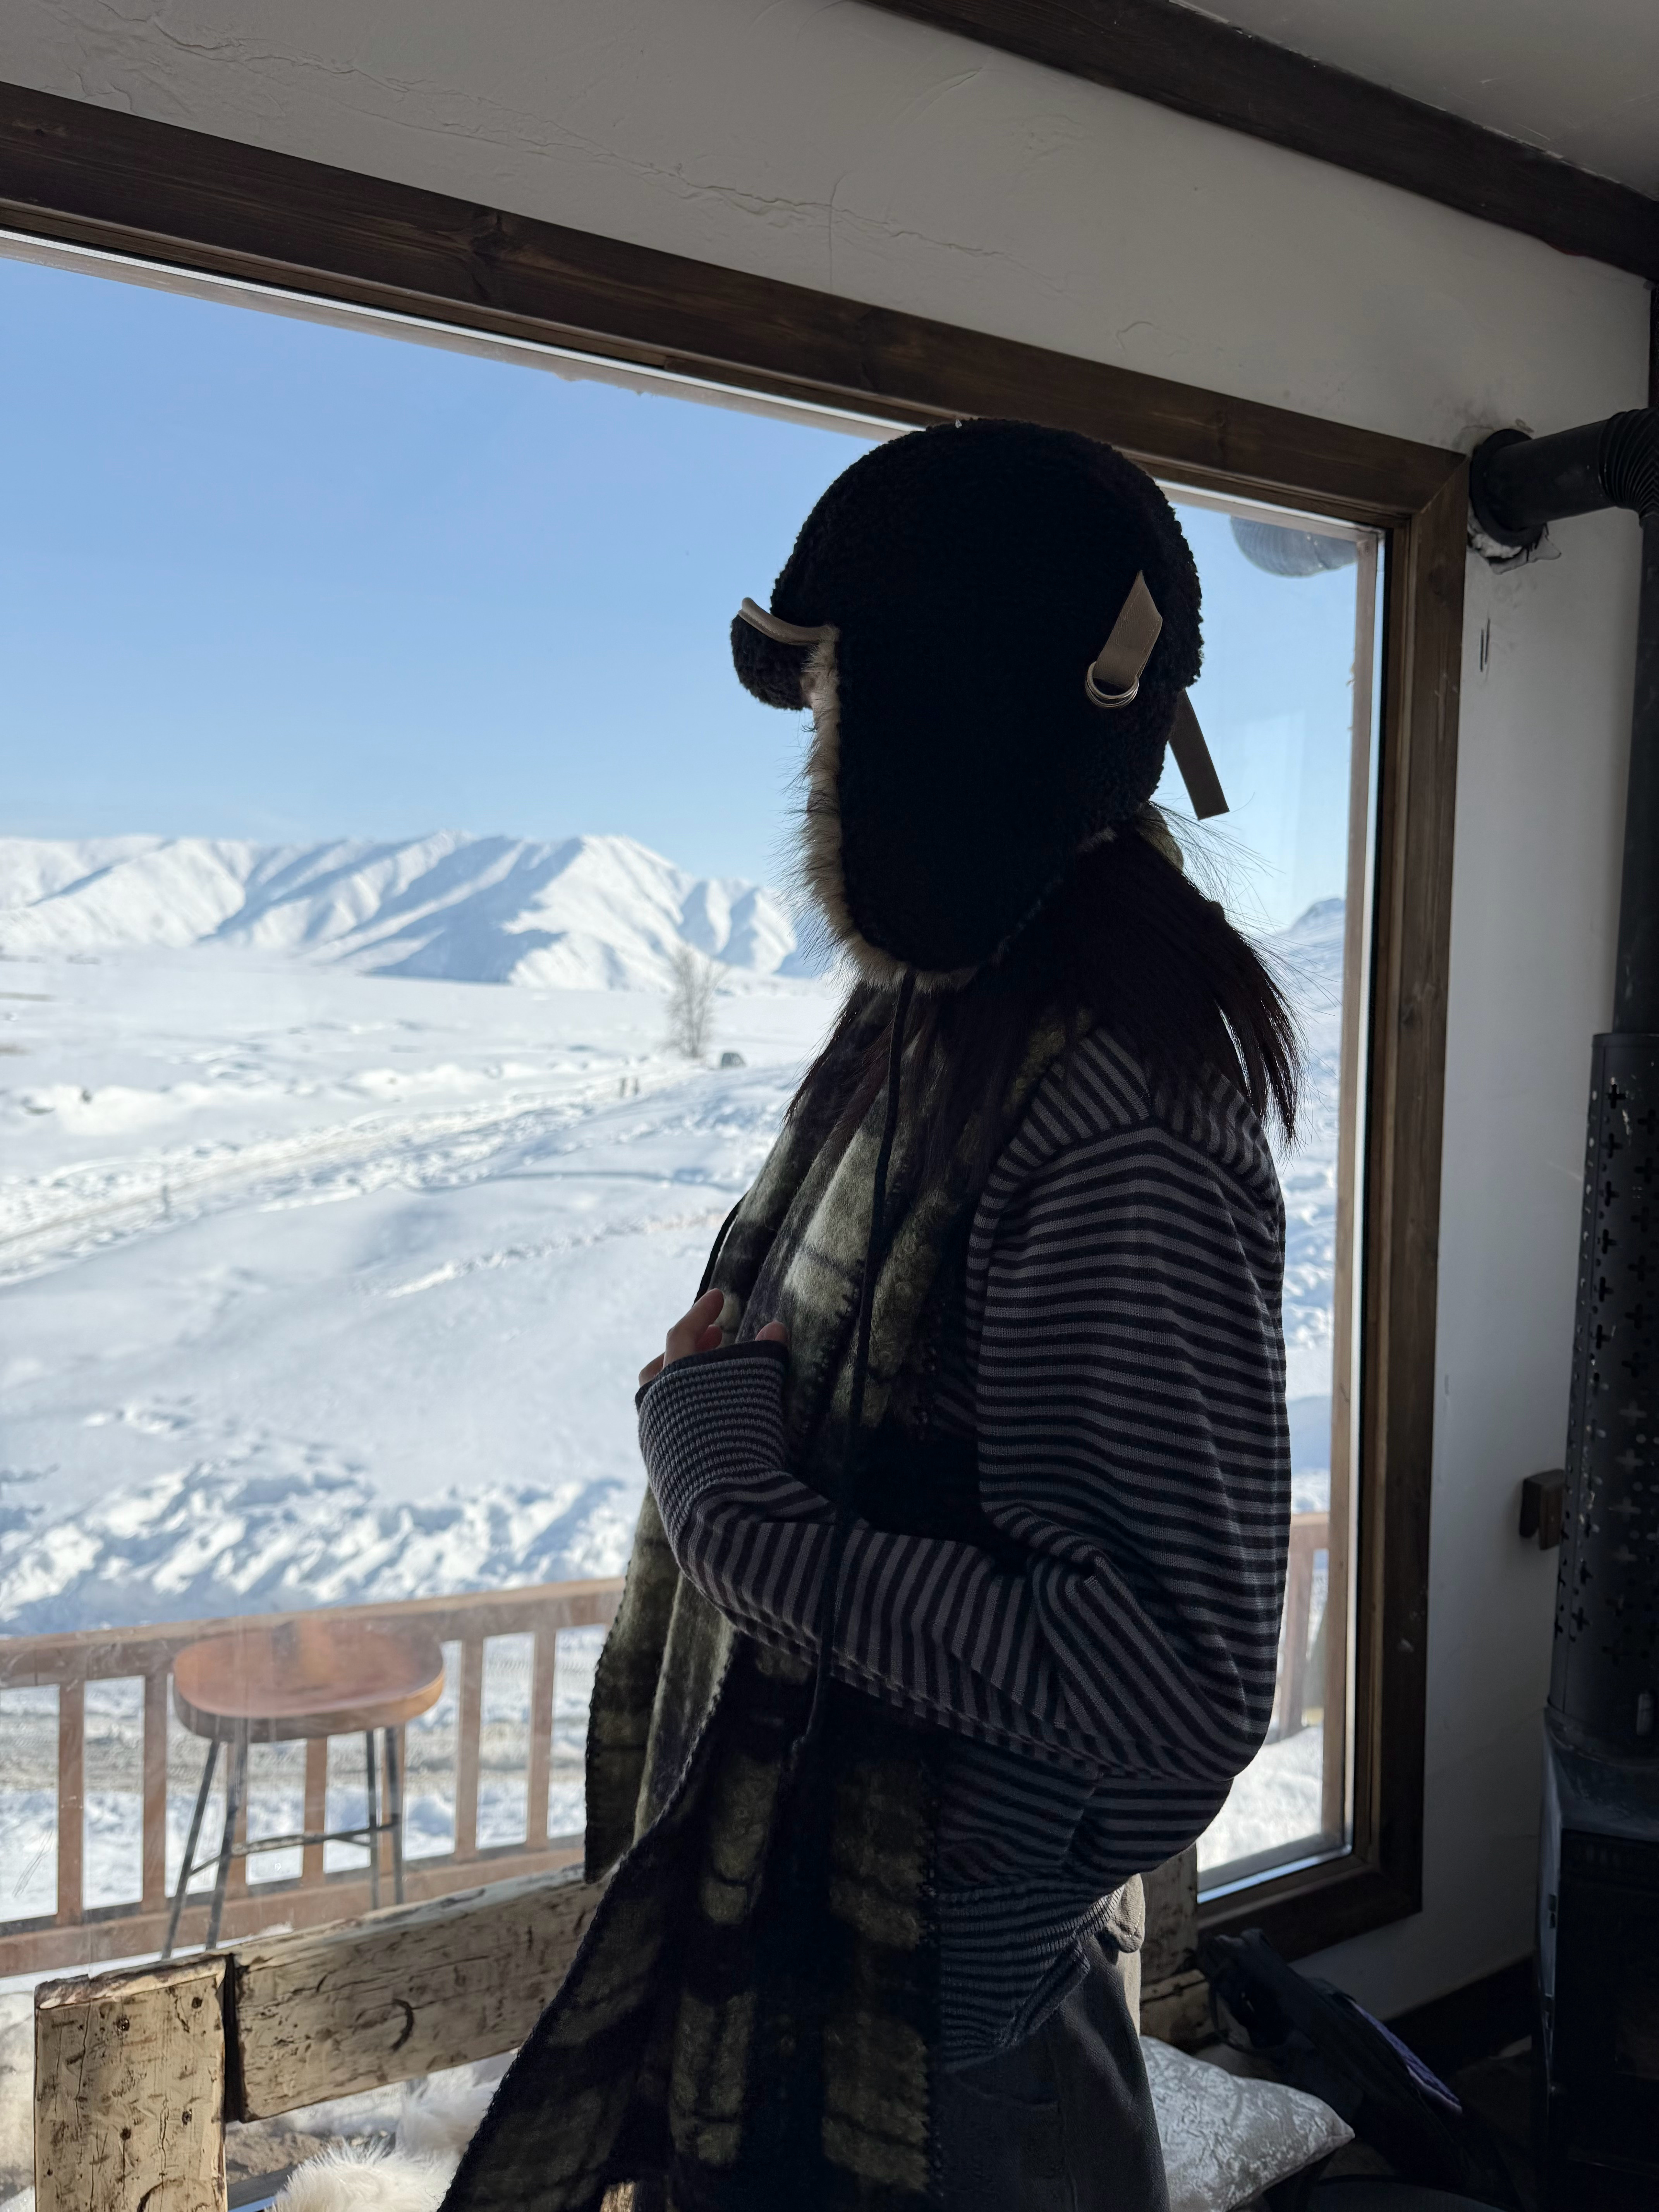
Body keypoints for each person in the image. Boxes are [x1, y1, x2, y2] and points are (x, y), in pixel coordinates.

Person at [443, 419, 1295, 2212]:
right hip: (829, 1985)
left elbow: (1167, 1693)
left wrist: (739, 1518)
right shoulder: (936, 1015)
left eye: (841, 713)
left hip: (938, 2072)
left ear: (952, 722)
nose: (819, 775)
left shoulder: (1115, 1109)